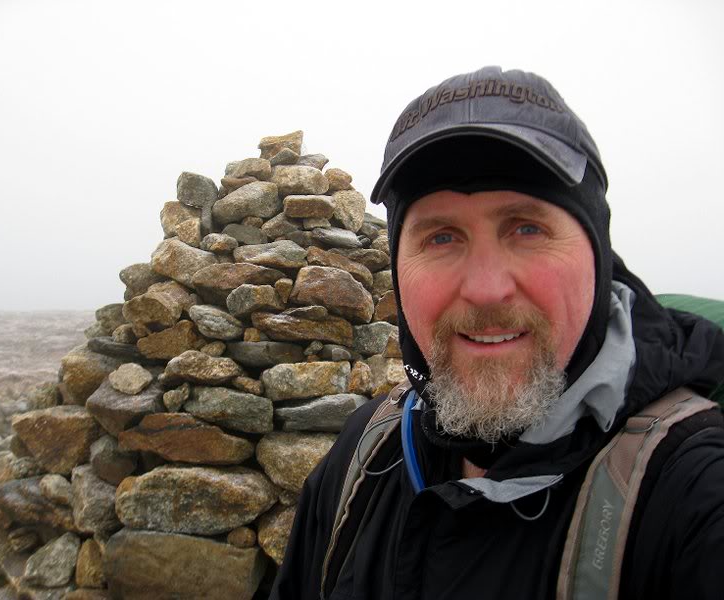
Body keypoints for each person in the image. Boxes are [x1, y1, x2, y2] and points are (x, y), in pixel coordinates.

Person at [268, 66, 724, 600]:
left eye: (527, 229)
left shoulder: (694, 490)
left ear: (598, 255)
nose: (486, 290)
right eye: (441, 237)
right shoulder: (363, 456)